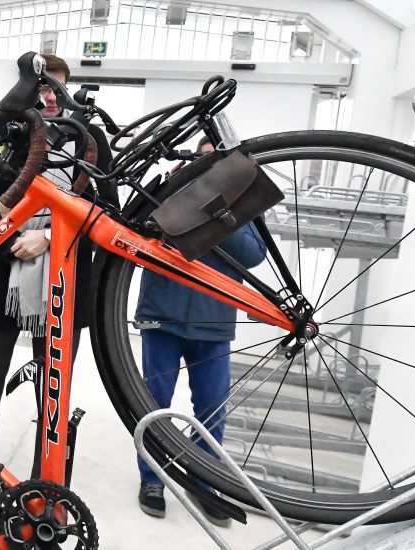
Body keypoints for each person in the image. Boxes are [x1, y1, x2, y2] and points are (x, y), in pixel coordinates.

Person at [0, 54, 117, 514]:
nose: (49, 96)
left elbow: (109, 213)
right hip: (1, 280)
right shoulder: (3, 133)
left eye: (57, 88)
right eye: (42, 87)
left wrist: (49, 236)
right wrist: (11, 241)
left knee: (53, 394)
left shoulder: (92, 140)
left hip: (63, 285)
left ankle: (50, 485)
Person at [134, 137, 266, 526]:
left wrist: (218, 211)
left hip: (214, 321)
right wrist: (177, 198)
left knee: (211, 411)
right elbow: (143, 236)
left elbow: (253, 255)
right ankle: (152, 480)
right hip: (161, 313)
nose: (209, 168)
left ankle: (203, 484)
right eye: (202, 160)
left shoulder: (244, 202)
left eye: (217, 162)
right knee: (154, 404)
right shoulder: (168, 191)